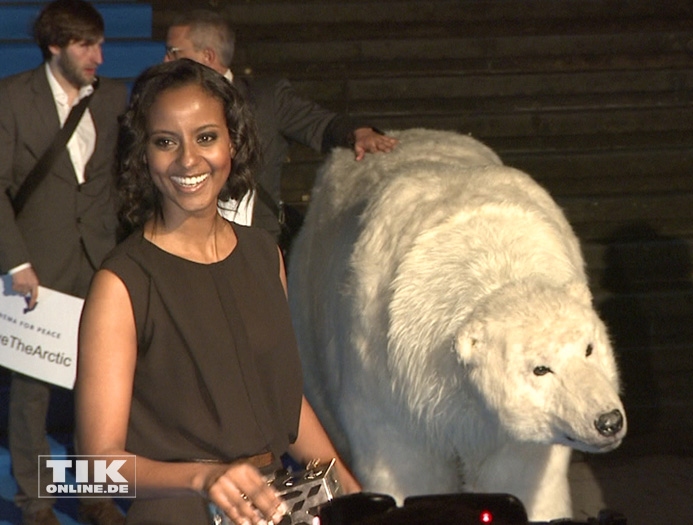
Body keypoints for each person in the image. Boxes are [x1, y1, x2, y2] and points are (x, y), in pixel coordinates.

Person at [74, 59, 361, 525]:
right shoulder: (121, 283)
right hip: (177, 512)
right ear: (142, 155)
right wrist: (200, 479)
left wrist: (345, 488)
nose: (189, 160)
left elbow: (285, 401)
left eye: (206, 137)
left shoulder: (265, 254)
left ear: (234, 142)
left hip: (278, 504)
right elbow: (89, 471)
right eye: (166, 142)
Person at [0, 1, 127, 523]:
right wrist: (16, 264)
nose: (97, 55)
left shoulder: (116, 97)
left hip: (102, 265)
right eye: (84, 45)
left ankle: (96, 496)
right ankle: (36, 503)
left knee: (101, 388)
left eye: (99, 44)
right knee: (31, 395)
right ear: (55, 46)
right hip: (37, 269)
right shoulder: (12, 98)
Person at [164, 10, 398, 237]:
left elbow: (320, 124)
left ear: (208, 56)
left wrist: (359, 133)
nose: (166, 60)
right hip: (183, 238)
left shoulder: (268, 99)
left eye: (173, 52)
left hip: (255, 243)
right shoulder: (162, 104)